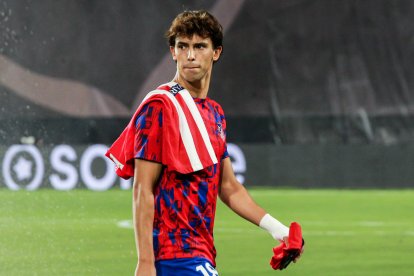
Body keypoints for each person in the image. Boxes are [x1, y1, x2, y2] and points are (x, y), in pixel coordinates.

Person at [106, 10, 302, 276]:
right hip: (171, 256)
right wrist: (145, 262)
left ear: (216, 52)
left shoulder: (215, 114)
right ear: (173, 52)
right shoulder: (161, 107)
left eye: (199, 46)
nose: (190, 55)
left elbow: (228, 186)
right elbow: (143, 189)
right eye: (182, 46)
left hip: (202, 253)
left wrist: (279, 231)